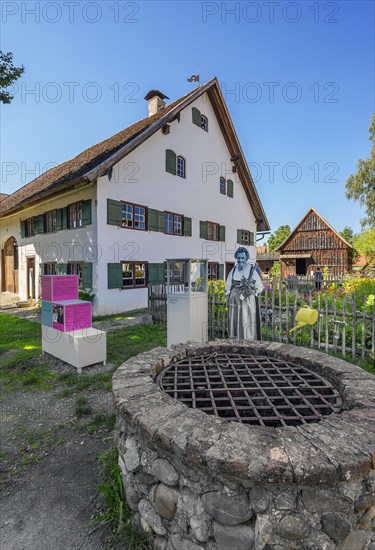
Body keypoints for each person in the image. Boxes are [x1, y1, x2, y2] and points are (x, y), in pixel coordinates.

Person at [225, 247, 264, 340]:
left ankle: (248, 340)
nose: (240, 260)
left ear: (246, 258)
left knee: (246, 319)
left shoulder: (251, 270)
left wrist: (252, 292)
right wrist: (228, 294)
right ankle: (235, 339)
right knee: (235, 320)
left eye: (242, 258)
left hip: (247, 300)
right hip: (234, 300)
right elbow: (228, 285)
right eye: (238, 258)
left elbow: (259, 286)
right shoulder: (233, 270)